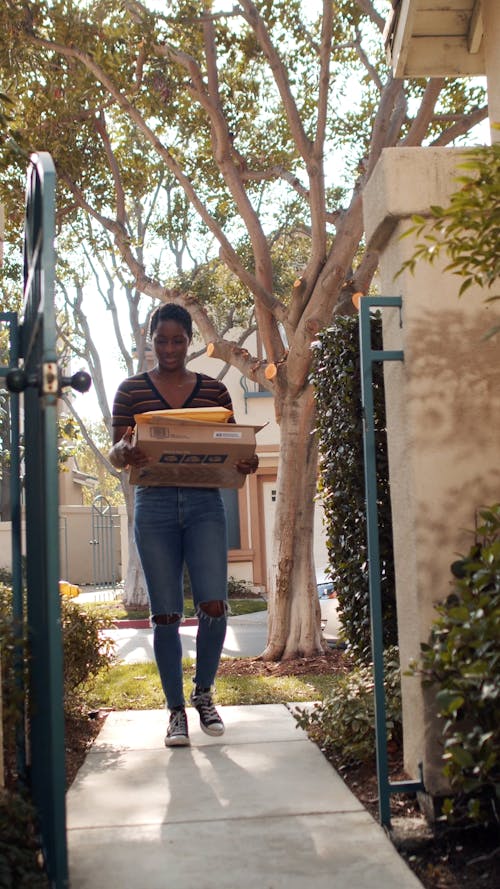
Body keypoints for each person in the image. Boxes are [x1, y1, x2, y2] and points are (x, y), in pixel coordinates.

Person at [109, 303, 258, 747]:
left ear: (189, 341)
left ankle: (204, 694)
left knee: (214, 605)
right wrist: (125, 452)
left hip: (204, 506)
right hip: (153, 507)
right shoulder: (131, 392)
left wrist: (246, 462)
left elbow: (233, 451)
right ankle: (175, 711)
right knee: (166, 614)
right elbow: (117, 452)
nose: (169, 348)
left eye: (177, 340)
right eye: (161, 340)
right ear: (150, 339)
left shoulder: (214, 392)